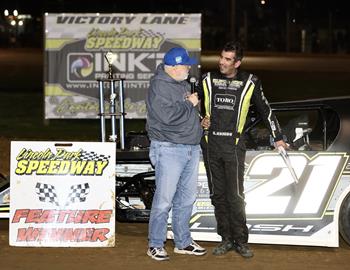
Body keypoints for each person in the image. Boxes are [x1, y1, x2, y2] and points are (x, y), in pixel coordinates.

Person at [198, 41, 288, 258]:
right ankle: (226, 239)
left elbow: (266, 110)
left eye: (228, 59)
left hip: (234, 146)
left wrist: (278, 138)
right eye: (221, 57)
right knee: (217, 195)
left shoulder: (250, 82)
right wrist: (201, 119)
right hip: (211, 145)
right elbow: (192, 106)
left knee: (235, 195)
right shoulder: (207, 80)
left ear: (237, 62)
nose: (222, 62)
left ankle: (240, 240)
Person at [145, 47, 207, 261]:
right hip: (169, 148)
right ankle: (155, 244)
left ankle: (183, 242)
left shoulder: (182, 83)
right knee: (164, 200)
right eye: (184, 65)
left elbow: (184, 114)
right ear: (172, 67)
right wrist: (189, 103)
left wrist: (199, 121)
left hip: (189, 147)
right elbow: (167, 117)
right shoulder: (159, 85)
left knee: (187, 198)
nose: (188, 67)